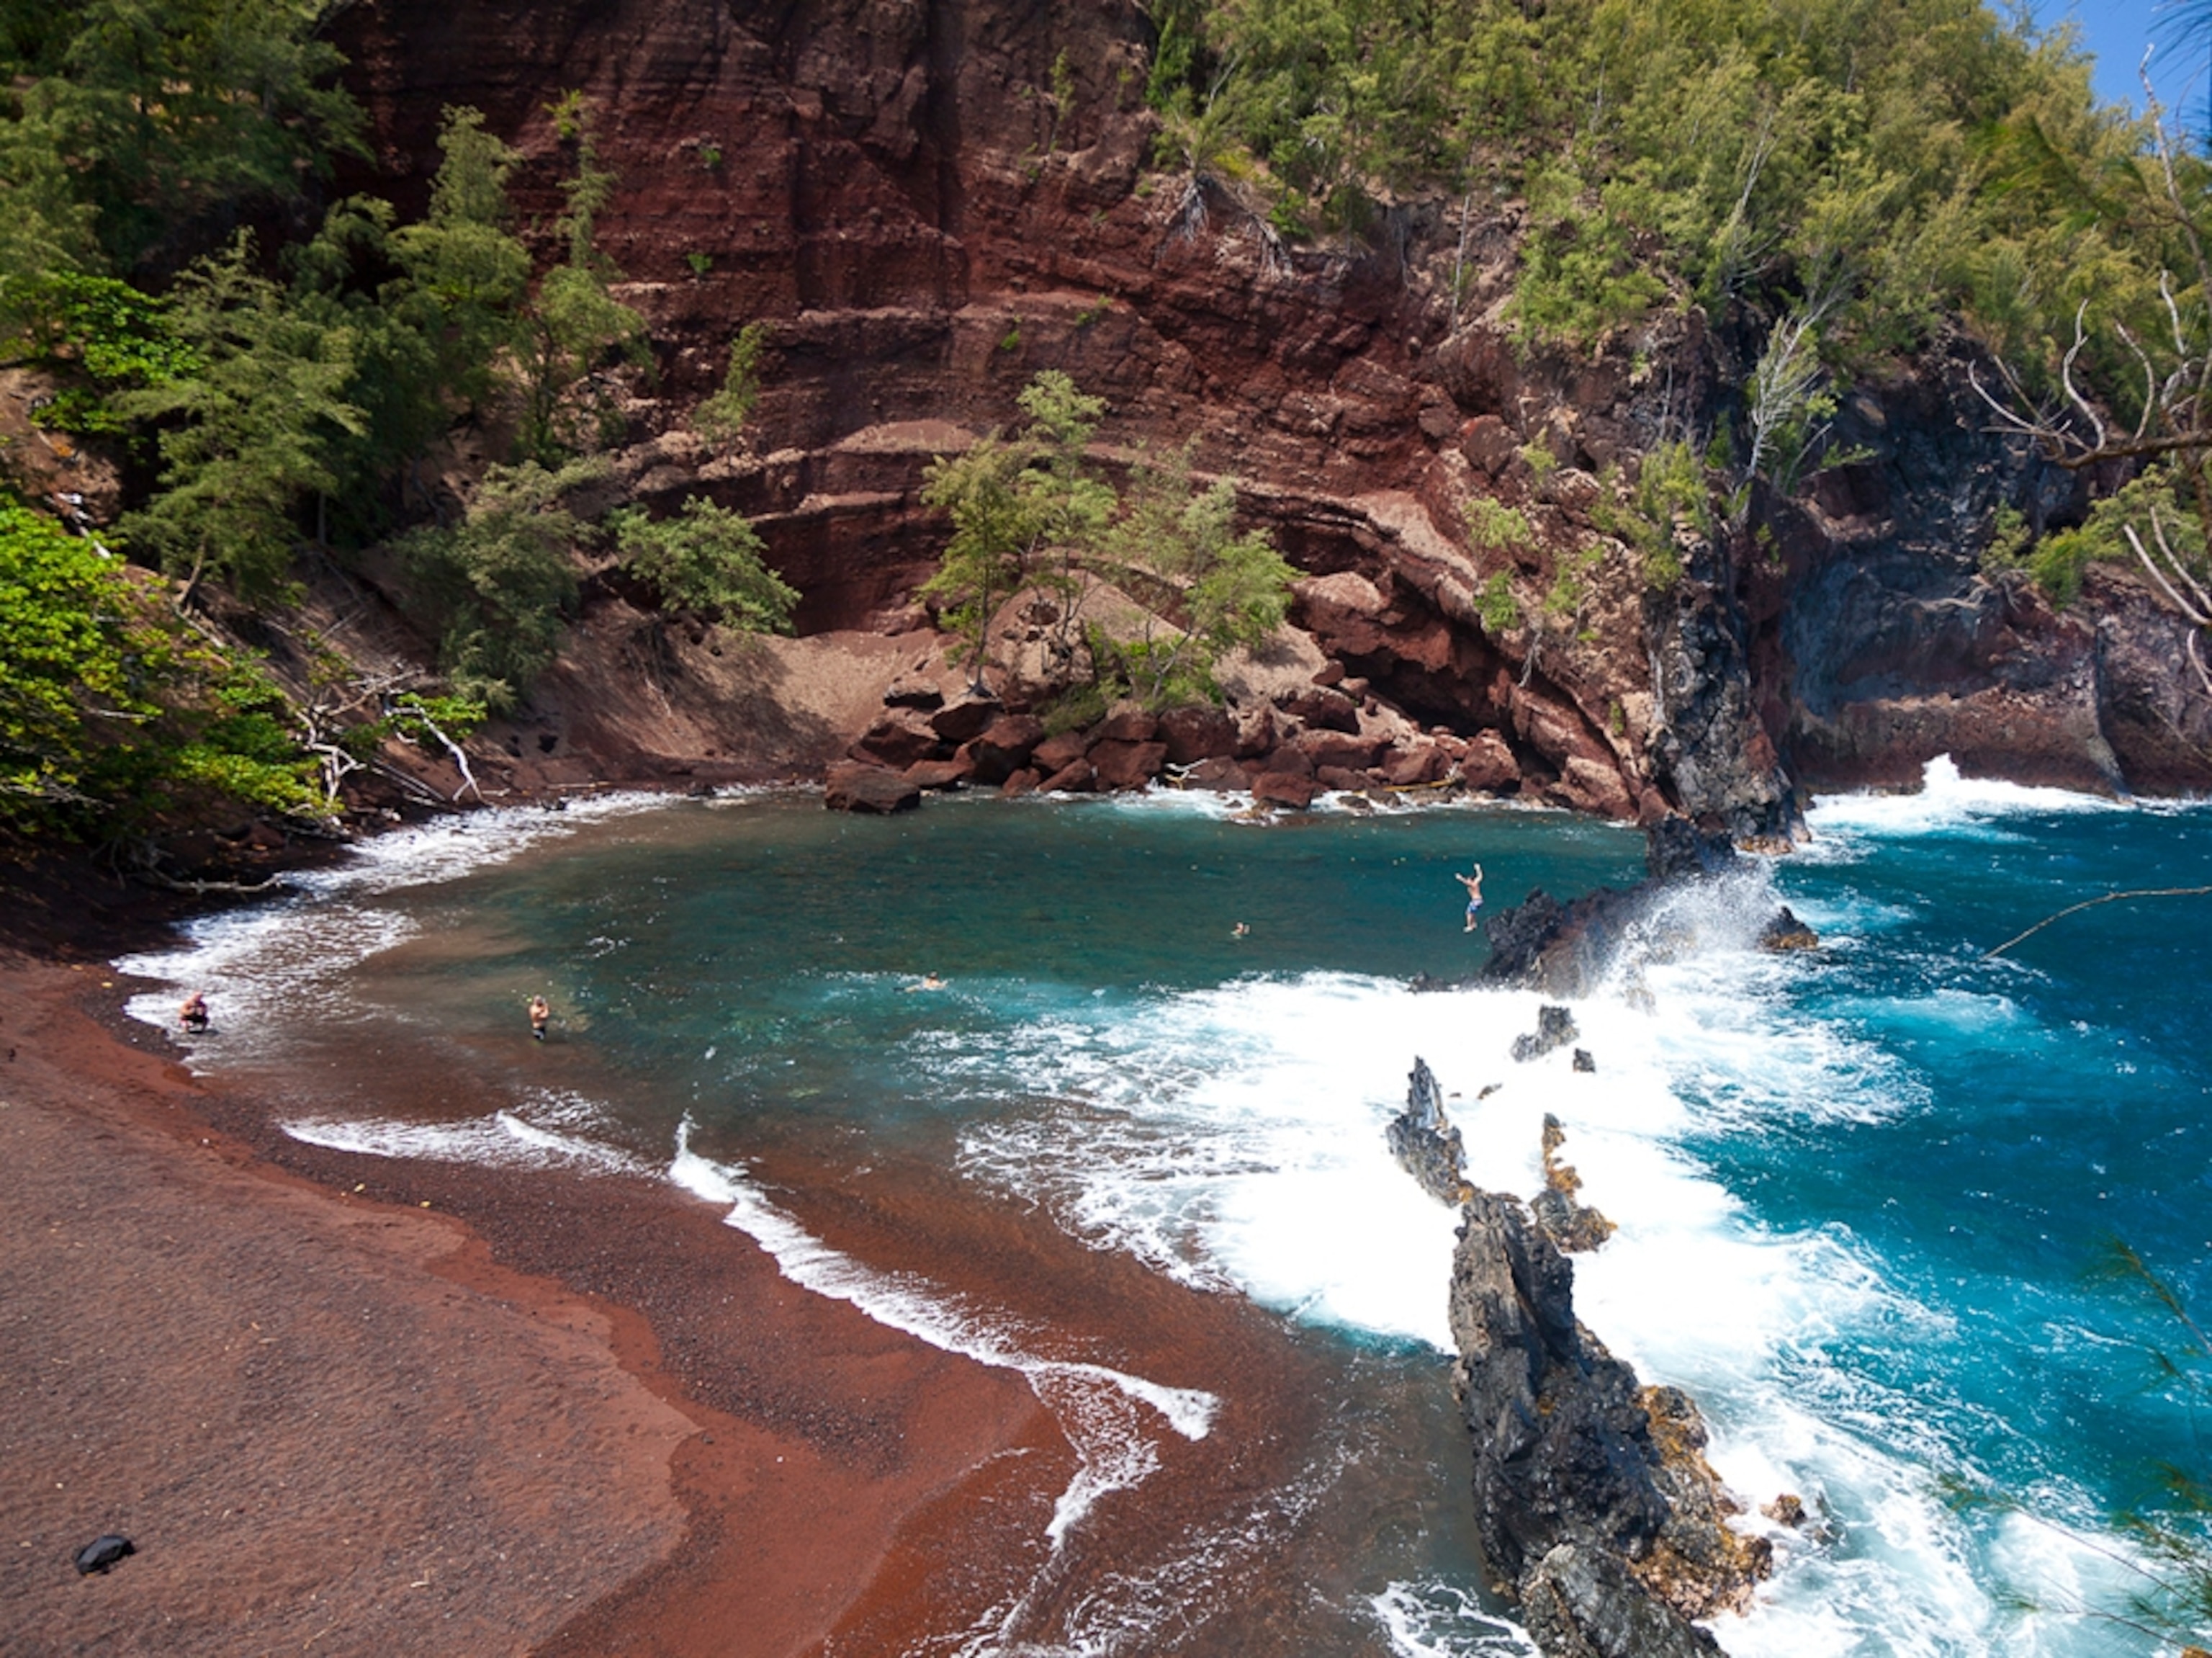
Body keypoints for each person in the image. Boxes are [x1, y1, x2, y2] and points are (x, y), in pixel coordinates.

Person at [1456, 863, 1485, 932]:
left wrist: (1460, 878)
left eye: (1468, 879)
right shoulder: (1476, 882)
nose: (1468, 880)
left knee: (1468, 913)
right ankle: (1474, 924)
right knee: (1472, 912)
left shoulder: (1473, 884)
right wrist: (1478, 869)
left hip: (1476, 901)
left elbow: (1467, 883)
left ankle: (1470, 926)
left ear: (1471, 880)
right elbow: (1480, 876)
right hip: (1479, 900)